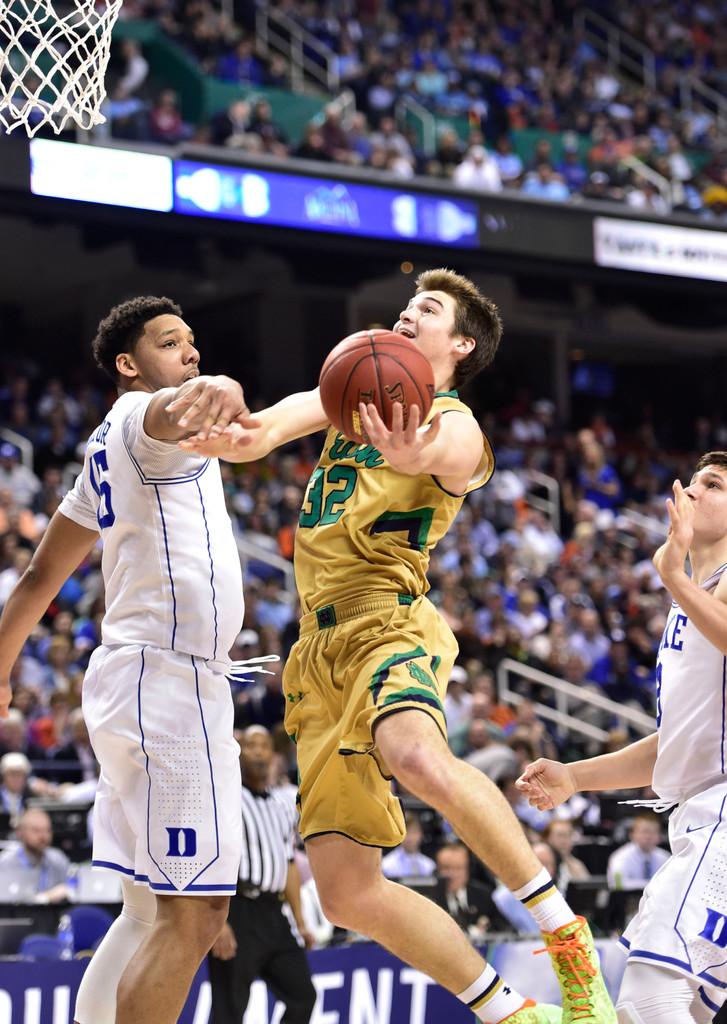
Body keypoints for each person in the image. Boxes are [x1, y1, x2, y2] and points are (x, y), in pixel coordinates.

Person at [179, 268, 616, 1024]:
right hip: (314, 654)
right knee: (346, 894)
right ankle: (514, 1012)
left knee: (415, 756)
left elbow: (429, 455)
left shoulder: (457, 424)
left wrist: (404, 447)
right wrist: (224, 430)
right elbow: (259, 435)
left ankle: (563, 935)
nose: (408, 313)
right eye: (408, 304)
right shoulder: (344, 390)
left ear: (461, 342)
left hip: (388, 616)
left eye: (429, 308)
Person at [0, 294, 255, 1024]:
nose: (190, 353)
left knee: (149, 912)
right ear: (128, 364)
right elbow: (189, 403)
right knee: (196, 916)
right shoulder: (146, 417)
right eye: (172, 343)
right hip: (165, 682)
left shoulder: (103, 454)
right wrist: (222, 392)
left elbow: (38, 579)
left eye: (193, 344)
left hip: (143, 680)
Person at [517, 452, 727, 1024]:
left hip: (722, 818)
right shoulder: (692, 598)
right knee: (676, 1006)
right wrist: (575, 777)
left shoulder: (705, 585)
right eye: (694, 480)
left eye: (715, 485)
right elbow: (674, 745)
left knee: (647, 995)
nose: (693, 490)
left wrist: (674, 573)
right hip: (700, 814)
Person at [208, 725, 316, 1024]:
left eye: (265, 745)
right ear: (238, 752)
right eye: (251, 745)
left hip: (274, 913)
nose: (258, 751)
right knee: (229, 1011)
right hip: (237, 910)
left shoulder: (282, 805)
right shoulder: (224, 799)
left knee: (303, 996)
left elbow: (289, 865)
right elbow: (209, 860)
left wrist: (301, 922)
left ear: (273, 754)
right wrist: (218, 921)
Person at [0, 806, 70, 903]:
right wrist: (45, 898)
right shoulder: (6, 863)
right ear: (19, 833)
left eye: (47, 830)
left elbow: (72, 891)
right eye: (36, 830)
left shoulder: (58, 859)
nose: (43, 836)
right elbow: (3, 902)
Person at [435, 840, 509, 937]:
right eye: (446, 868)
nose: (452, 874)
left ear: (467, 869)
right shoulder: (431, 898)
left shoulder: (483, 895)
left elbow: (505, 928)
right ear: (437, 870)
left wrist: (484, 934)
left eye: (458, 868)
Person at [606, 812, 670, 893]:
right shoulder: (620, 857)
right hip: (628, 901)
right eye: (644, 832)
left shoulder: (665, 858)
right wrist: (650, 886)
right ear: (633, 834)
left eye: (653, 832)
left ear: (659, 836)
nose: (648, 837)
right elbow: (618, 884)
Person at [381, 810, 436, 878]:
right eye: (406, 834)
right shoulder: (386, 866)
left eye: (414, 832)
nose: (410, 838)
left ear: (421, 833)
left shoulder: (429, 866)